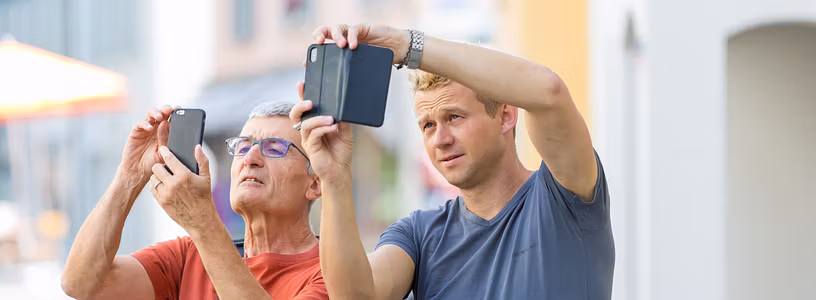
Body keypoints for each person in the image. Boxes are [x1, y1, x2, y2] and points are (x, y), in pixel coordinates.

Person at [290, 24, 614, 299]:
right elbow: (357, 295)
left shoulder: (562, 197)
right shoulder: (419, 234)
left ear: (506, 115)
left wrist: (407, 46)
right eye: (428, 125)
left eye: (454, 117)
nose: (440, 139)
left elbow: (548, 91)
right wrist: (334, 179)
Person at [61, 102, 329, 300]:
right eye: (243, 147)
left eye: (274, 148)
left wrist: (202, 222)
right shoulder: (189, 255)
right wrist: (129, 176)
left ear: (315, 183)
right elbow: (81, 283)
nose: (250, 158)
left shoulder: (332, 275)